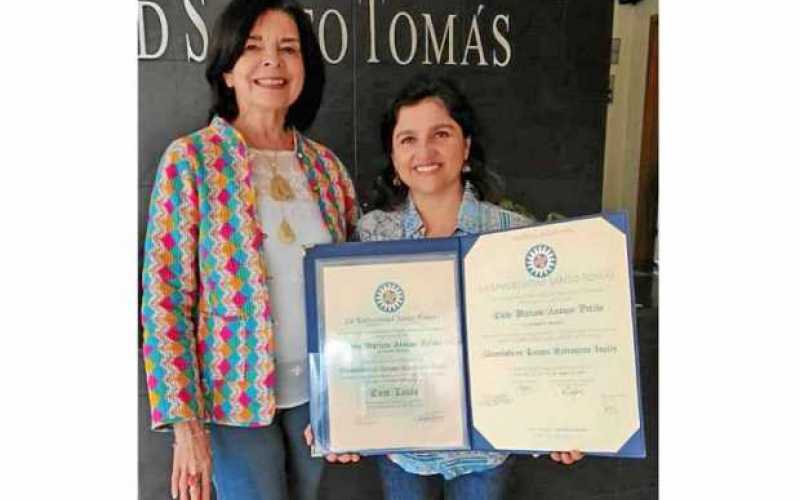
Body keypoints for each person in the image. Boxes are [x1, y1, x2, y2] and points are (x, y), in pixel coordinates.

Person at [140, 1, 359, 499]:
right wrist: (185, 424)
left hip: (323, 396)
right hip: (231, 400)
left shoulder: (327, 168)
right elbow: (165, 297)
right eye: (253, 47)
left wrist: (358, 397)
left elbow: (356, 285)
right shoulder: (191, 160)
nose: (272, 62)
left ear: (305, 68)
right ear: (228, 69)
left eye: (288, 49)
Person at [357, 75, 584, 500]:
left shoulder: (516, 234)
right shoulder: (371, 234)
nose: (424, 151)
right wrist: (337, 417)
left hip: (485, 449)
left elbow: (546, 341)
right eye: (408, 139)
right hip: (402, 447)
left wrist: (565, 419)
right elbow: (354, 342)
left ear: (465, 147)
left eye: (441, 134)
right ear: (393, 155)